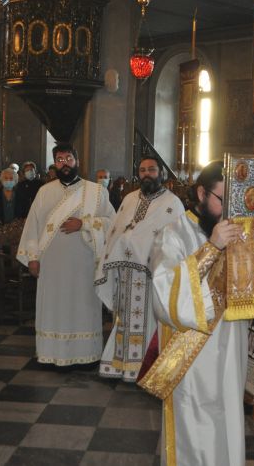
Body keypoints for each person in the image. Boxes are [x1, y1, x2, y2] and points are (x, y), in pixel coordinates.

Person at [140, 160, 254, 466]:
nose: (229, 213)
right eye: (222, 201)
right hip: (192, 358)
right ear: (201, 193)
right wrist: (212, 248)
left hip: (231, 349)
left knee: (229, 426)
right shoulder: (173, 234)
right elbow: (165, 296)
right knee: (195, 432)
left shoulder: (239, 233)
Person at [17, 143, 114, 367]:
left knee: (83, 307)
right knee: (53, 307)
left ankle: (86, 354)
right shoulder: (44, 192)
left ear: (77, 161)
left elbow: (112, 224)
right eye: (60, 159)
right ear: (55, 163)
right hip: (51, 266)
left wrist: (85, 224)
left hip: (84, 265)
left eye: (69, 158)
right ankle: (51, 353)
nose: (65, 163)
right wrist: (32, 257)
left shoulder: (97, 191)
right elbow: (33, 226)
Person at [95, 156, 184, 381]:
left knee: (150, 322)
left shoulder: (172, 203)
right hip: (125, 274)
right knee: (123, 319)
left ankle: (145, 370)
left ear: (161, 173)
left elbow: (177, 241)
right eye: (142, 170)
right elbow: (116, 231)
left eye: (151, 170)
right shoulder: (129, 199)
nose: (146, 174)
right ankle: (121, 365)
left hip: (153, 276)